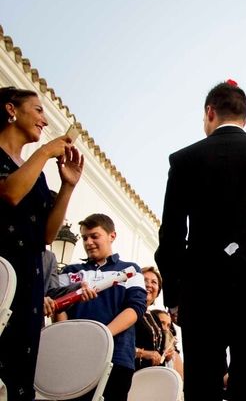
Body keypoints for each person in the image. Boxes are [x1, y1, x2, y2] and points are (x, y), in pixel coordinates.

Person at [156, 81, 246, 401]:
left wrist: (174, 294)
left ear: (210, 112)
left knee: (200, 388)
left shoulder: (183, 160)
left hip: (200, 293)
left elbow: (170, 235)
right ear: (244, 118)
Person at [0, 86, 84, 400]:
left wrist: (67, 187)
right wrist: (46, 152)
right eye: (37, 110)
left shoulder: (38, 176)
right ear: (11, 110)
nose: (44, 120)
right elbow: (9, 193)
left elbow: (47, 235)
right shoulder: (16, 162)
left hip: (28, 285)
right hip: (2, 272)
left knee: (18, 375)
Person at [56, 213, 146, 401]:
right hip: (74, 356)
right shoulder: (70, 271)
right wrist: (66, 339)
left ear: (112, 236)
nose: (88, 242)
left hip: (116, 357)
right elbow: (59, 308)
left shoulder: (130, 270)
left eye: (94, 236)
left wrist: (100, 336)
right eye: (84, 237)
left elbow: (136, 308)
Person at [134, 266, 168, 370]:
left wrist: (166, 353)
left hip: (152, 375)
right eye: (144, 280)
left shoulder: (155, 317)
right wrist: (144, 354)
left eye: (154, 282)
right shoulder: (128, 311)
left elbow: (157, 349)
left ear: (158, 290)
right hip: (132, 371)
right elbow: (118, 344)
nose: (149, 285)